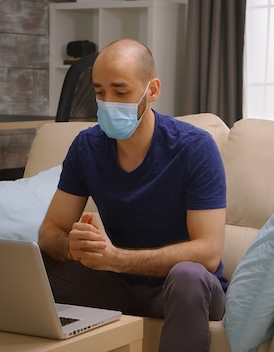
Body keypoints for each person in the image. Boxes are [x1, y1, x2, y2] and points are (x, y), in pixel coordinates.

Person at [38, 38, 227, 352]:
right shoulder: (87, 146)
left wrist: (117, 259)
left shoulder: (195, 147)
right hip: (116, 285)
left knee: (188, 277)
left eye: (121, 91)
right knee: (35, 265)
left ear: (152, 90)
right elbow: (49, 232)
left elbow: (208, 253)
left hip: (180, 291)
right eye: (100, 92)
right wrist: (73, 247)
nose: (108, 102)